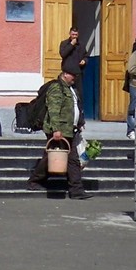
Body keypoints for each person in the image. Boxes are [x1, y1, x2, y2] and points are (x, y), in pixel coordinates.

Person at [27, 70, 87, 198]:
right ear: (65, 74)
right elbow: (53, 109)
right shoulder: (56, 87)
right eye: (73, 75)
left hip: (69, 129)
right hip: (59, 130)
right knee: (54, 157)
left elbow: (75, 108)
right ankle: (35, 181)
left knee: (70, 159)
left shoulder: (72, 89)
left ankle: (76, 190)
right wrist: (56, 129)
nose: (75, 78)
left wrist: (80, 122)